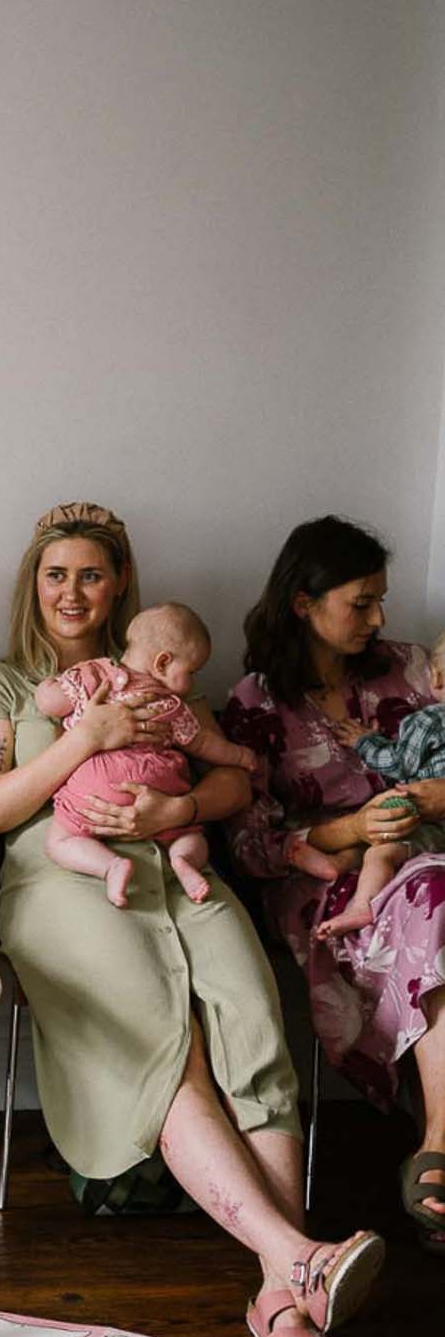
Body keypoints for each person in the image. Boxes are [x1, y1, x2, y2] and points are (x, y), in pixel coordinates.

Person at [0, 502, 379, 1337]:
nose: (72, 592)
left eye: (91, 574)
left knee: (255, 1021)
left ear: (120, 586)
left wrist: (176, 807)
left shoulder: (165, 672)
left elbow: (234, 781)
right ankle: (294, 1263)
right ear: (33, 584)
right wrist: (88, 737)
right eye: (56, 574)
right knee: (165, 1035)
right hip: (61, 879)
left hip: (177, 869)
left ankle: (283, 1285)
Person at [220, 517, 445, 1254]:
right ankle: (438, 1147)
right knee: (432, 894)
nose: (379, 619)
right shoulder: (257, 704)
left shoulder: (413, 669)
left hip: (431, 850)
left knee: (433, 887)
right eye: (361, 602)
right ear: (303, 603)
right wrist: (353, 829)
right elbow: (252, 845)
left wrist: (433, 801)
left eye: (381, 600)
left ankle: (438, 1151)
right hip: (331, 886)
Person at [36, 603, 260, 908]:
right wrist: (240, 756)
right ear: (163, 662)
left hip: (97, 789)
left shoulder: (96, 675)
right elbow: (204, 744)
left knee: (58, 840)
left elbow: (50, 703)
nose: (192, 682)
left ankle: (110, 867)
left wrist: (48, 686)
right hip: (158, 789)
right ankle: (183, 861)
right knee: (191, 836)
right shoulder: (171, 705)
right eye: (192, 672)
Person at [316, 628, 445, 940]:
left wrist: (366, 742)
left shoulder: (430, 721)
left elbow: (399, 764)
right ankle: (338, 861)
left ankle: (362, 905)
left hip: (428, 822)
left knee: (380, 851)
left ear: (437, 678)